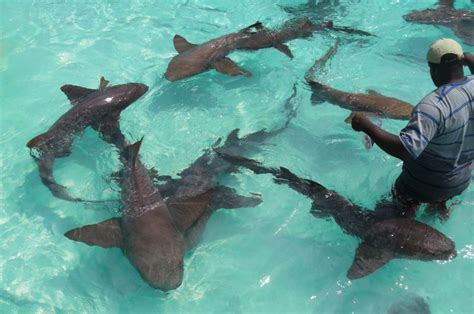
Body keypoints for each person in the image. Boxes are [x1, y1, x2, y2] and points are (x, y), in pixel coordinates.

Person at [350, 38, 474, 219]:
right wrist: (467, 58)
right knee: (437, 210)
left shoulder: (434, 106)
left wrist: (366, 125)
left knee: (381, 220)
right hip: (460, 181)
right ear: (461, 62)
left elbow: (405, 150)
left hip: (421, 186)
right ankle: (438, 215)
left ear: (433, 69)